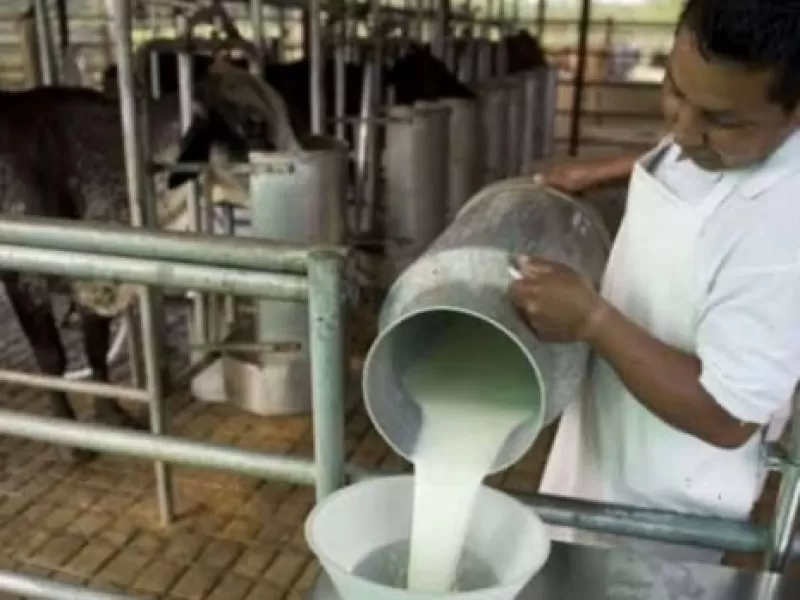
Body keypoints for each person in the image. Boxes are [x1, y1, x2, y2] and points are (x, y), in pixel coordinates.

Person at [509, 0, 800, 564]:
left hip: (657, 513)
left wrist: (593, 320)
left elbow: (727, 416)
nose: (684, 130)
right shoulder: (725, 139)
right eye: (673, 88)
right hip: (608, 446)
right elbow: (684, 152)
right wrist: (602, 171)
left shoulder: (779, 235)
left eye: (719, 119)